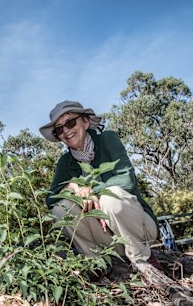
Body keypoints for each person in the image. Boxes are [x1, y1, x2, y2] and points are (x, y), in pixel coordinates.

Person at [39, 100, 160, 270]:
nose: (66, 131)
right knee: (61, 209)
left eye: (70, 122)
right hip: (107, 240)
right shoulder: (65, 162)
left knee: (111, 198)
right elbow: (50, 198)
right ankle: (96, 264)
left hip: (139, 231)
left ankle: (143, 260)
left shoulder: (108, 140)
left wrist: (93, 191)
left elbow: (126, 179)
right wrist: (73, 186)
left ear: (86, 121)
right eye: (59, 129)